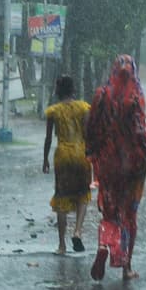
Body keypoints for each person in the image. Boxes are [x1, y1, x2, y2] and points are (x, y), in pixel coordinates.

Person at [85, 54, 146, 281]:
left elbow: (91, 128)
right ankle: (126, 266)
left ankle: (104, 248)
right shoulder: (134, 97)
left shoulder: (101, 96)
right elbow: (140, 131)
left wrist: (92, 155)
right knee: (129, 215)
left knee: (110, 211)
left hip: (108, 165)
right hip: (132, 167)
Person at [42, 75, 91, 255]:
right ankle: (77, 231)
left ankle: (62, 245)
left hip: (62, 155)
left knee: (61, 198)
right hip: (81, 154)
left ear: (57, 92)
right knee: (83, 194)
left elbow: (48, 139)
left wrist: (45, 159)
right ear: (73, 90)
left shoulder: (53, 111)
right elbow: (87, 133)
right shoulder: (84, 108)